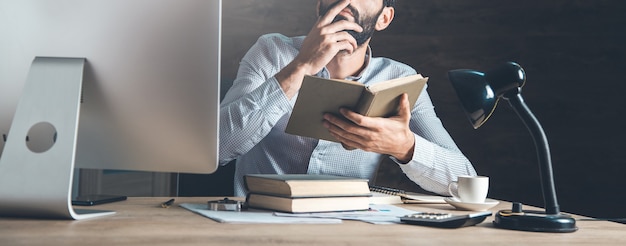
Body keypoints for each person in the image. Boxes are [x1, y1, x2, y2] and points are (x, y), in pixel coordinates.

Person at [220, 0, 476, 197]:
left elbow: (466, 182)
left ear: (384, 18)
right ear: (319, 3)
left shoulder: (400, 79)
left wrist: (405, 147)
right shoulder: (271, 52)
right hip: (259, 224)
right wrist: (301, 66)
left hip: (349, 232)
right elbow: (217, 147)